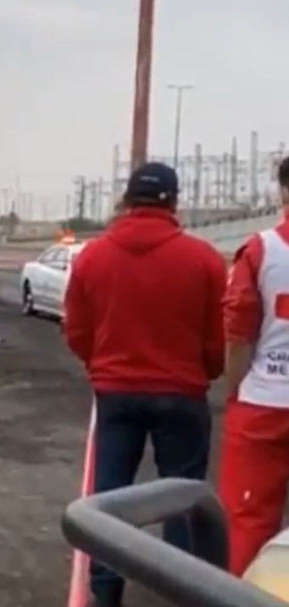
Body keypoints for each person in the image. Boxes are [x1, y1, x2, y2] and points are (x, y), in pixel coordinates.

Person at [63, 161, 226, 607]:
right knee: (182, 495)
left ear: (128, 201)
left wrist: (100, 365)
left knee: (110, 497)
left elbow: (76, 329)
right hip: (182, 392)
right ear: (172, 202)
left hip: (116, 392)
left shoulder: (93, 257)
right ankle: (181, 590)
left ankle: (105, 591)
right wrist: (205, 372)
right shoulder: (205, 260)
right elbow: (216, 340)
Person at [219, 155, 289, 577]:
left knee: (247, 524)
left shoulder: (262, 250)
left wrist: (235, 388)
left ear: (283, 192)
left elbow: (239, 333)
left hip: (263, 402)